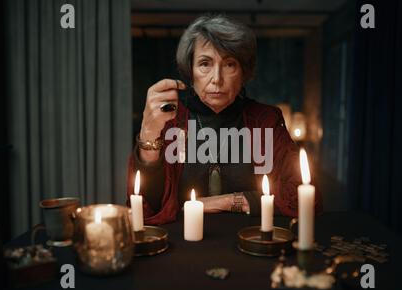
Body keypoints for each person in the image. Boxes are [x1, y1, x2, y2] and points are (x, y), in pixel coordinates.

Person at [127, 15, 322, 225]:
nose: (217, 79)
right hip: (181, 243)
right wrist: (148, 133)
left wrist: (226, 202)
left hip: (251, 240)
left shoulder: (266, 119)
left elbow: (303, 196)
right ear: (190, 72)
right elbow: (146, 205)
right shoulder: (169, 120)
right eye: (205, 64)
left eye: (230, 64)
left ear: (243, 74)